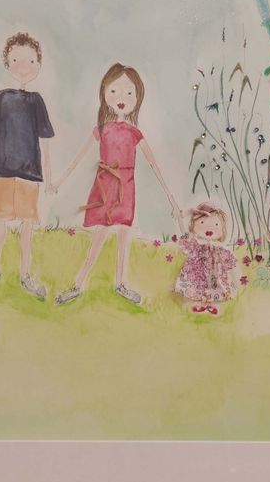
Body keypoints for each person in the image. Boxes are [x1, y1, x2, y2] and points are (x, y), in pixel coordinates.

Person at [54, 62, 178, 307]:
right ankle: (78, 283)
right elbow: (78, 158)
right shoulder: (101, 129)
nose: (122, 98)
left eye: (129, 93)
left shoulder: (134, 133)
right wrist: (59, 180)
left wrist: (172, 199)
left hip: (126, 186)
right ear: (104, 94)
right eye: (115, 91)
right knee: (99, 235)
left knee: (124, 235)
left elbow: (154, 164)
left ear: (138, 98)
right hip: (105, 185)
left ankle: (121, 282)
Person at [0, 31, 55, 299]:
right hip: (3, 172)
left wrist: (50, 179)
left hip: (30, 175)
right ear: (7, 63)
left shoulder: (37, 101)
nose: (23, 67)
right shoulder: (2, 98)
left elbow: (46, 142)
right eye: (17, 60)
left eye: (30, 61)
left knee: (27, 229)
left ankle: (25, 275)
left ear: (38, 65)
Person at [175, 202, 241, 318]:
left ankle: (212, 305)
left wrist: (234, 272)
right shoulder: (197, 244)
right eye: (202, 222)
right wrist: (180, 220)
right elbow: (186, 238)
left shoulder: (219, 248)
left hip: (215, 273)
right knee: (198, 286)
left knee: (214, 286)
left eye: (216, 224)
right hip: (197, 271)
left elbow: (228, 259)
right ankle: (199, 304)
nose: (209, 228)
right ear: (193, 225)